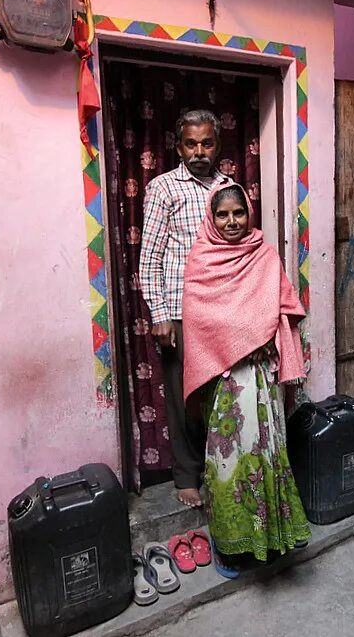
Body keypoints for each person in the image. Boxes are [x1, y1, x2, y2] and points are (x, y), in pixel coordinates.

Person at [181, 182, 312, 574]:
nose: (232, 221)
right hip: (225, 382)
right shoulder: (201, 260)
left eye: (238, 212)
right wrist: (242, 337)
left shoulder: (265, 256)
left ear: (248, 214)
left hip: (260, 377)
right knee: (227, 462)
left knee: (266, 455)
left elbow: (284, 306)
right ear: (212, 217)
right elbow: (200, 318)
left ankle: (270, 541)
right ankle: (230, 546)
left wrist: (266, 334)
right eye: (223, 214)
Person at [139, 109, 232, 508]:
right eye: (190, 144)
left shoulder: (228, 188)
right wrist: (159, 314)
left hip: (224, 310)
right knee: (183, 400)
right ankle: (187, 476)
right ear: (178, 147)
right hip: (180, 312)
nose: (199, 151)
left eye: (206, 143)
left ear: (217, 145)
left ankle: (222, 469)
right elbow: (150, 258)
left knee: (223, 395)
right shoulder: (163, 188)